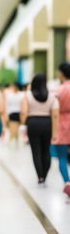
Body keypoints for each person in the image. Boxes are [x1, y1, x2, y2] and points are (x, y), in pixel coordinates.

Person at [21, 73, 59, 185]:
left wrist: (24, 123)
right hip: (47, 123)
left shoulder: (27, 95)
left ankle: (40, 176)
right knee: (46, 150)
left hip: (33, 123)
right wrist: (55, 132)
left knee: (36, 151)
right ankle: (45, 175)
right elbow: (55, 115)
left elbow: (24, 112)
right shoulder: (52, 96)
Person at [51, 62, 70, 196]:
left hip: (61, 124)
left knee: (62, 157)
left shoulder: (57, 90)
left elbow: (54, 110)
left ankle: (67, 182)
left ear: (61, 73)